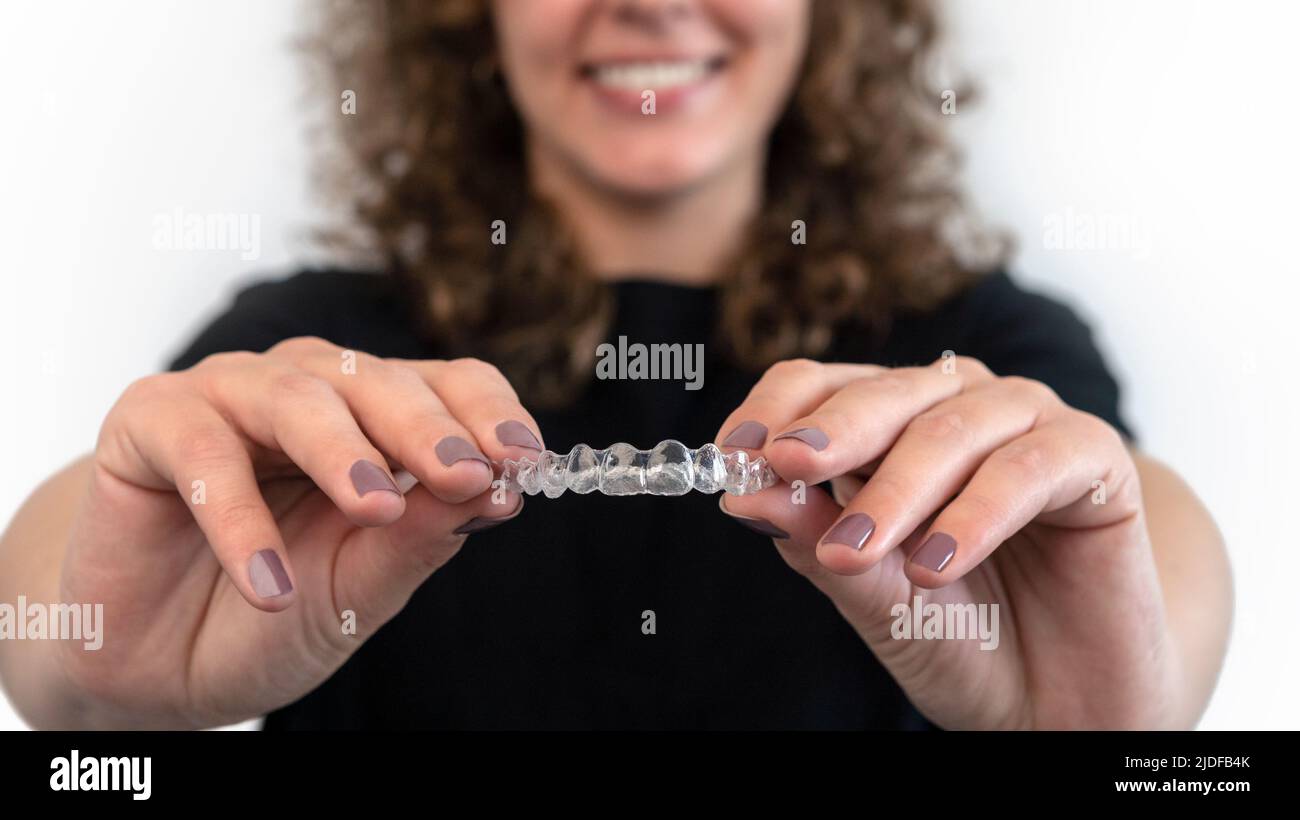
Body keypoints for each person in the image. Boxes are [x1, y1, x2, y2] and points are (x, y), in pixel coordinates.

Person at [0, 0, 1230, 730]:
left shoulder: (981, 353)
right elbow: (45, 611)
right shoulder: (310, 356)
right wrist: (93, 661)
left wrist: (1121, 713)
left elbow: (1141, 554)